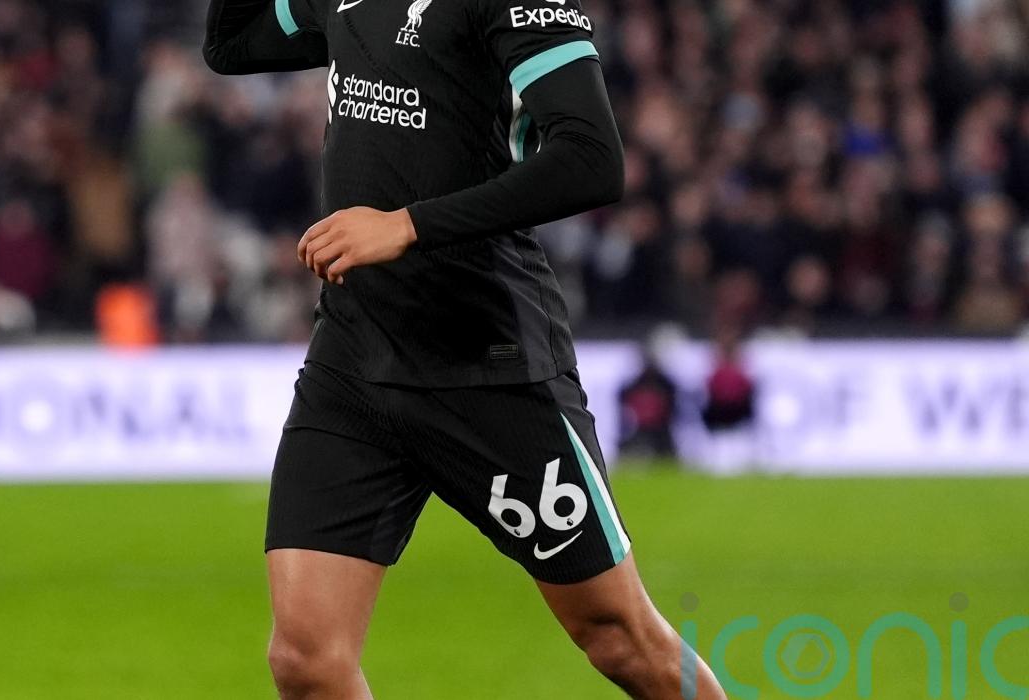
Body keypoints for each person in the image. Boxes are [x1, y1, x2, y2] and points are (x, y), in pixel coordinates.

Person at [204, 0, 728, 697]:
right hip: (354, 364)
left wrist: (407, 226)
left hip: (490, 364)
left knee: (618, 637)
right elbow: (233, 43)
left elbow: (592, 159)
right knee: (306, 663)